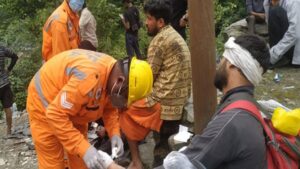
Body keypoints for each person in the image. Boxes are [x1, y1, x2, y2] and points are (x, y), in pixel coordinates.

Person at [26, 49, 153, 169]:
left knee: (80, 160)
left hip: (74, 110)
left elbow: (109, 108)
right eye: (125, 98)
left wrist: (114, 133)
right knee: (53, 163)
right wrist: (84, 148)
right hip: (44, 107)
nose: (124, 104)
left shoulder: (113, 74)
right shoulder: (88, 79)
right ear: (120, 81)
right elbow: (55, 114)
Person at [157, 35, 270, 169]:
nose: (219, 64)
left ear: (232, 64)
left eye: (223, 58)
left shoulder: (231, 121)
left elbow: (181, 165)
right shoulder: (250, 106)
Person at [119, 0, 192, 168]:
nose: (145, 22)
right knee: (164, 146)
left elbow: (147, 78)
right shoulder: (174, 34)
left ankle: (136, 161)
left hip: (164, 103)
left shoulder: (158, 41)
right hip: (179, 101)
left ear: (160, 22)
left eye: (149, 19)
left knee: (125, 110)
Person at [264, 0, 300, 67]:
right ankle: (280, 57)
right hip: (287, 48)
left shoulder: (293, 2)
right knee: (274, 10)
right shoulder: (267, 2)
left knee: (275, 11)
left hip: (297, 52)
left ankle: (279, 57)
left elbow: (294, 33)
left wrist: (273, 56)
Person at [0, 46, 18, 136]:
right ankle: (8, 131)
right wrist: (8, 69)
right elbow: (15, 56)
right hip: (5, 83)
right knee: (7, 107)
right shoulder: (2, 48)